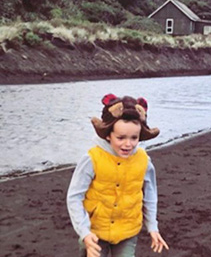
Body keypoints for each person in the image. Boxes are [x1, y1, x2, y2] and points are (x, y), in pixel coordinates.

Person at [67, 94, 169, 257]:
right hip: (94, 232)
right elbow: (74, 197)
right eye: (121, 138)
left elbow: (150, 195)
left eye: (134, 138)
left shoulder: (144, 160)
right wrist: (84, 232)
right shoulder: (92, 158)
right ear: (108, 134)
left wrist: (152, 227)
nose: (128, 144)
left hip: (128, 231)